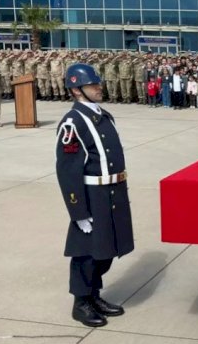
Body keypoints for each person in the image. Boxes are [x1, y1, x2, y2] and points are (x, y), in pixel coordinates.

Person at [56, 63, 134, 328]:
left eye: (98, 83)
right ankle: (81, 303)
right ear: (77, 90)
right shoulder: (73, 122)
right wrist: (78, 212)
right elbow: (67, 171)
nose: (99, 88)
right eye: (93, 85)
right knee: (87, 253)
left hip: (113, 191)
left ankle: (94, 295)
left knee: (107, 250)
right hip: (93, 195)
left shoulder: (104, 116)